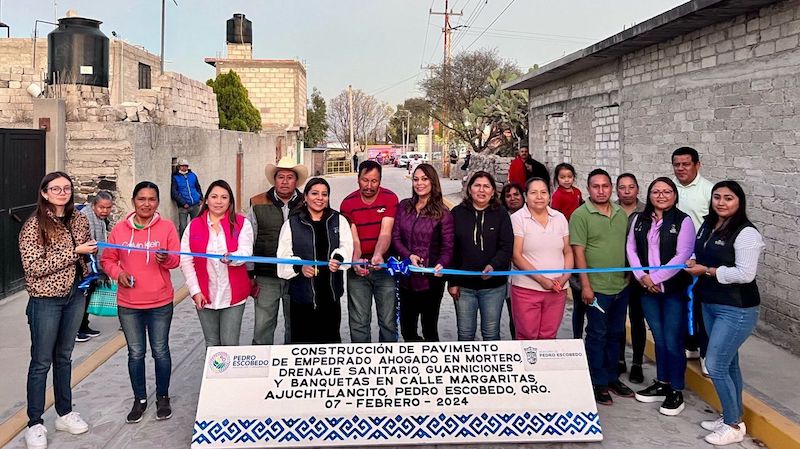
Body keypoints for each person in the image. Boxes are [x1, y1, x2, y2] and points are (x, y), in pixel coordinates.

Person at [19, 172, 96, 449]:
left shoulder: (79, 218)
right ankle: (35, 423)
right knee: (41, 362)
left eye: (66, 188)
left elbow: (86, 252)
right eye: (55, 188)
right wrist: (75, 251)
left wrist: (89, 266)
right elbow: (34, 267)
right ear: (44, 192)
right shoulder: (33, 225)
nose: (62, 192)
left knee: (64, 357)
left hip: (75, 295)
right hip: (45, 300)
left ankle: (65, 412)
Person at [684, 181, 763, 446]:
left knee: (715, 364)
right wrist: (696, 261)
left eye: (728, 198)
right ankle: (732, 414)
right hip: (710, 303)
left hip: (737, 308)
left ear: (739, 201)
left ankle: (733, 424)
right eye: (717, 197)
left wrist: (707, 270)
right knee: (729, 364)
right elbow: (703, 253)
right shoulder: (709, 224)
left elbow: (745, 273)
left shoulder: (746, 233)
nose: (721, 202)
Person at [101, 181, 180, 424]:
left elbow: (176, 260)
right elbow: (108, 259)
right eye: (141, 199)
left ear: (157, 202)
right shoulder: (120, 230)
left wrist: (165, 259)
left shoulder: (166, 228)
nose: (146, 203)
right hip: (129, 304)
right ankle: (140, 399)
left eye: (152, 199)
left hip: (160, 302)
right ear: (134, 200)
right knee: (135, 353)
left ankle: (163, 397)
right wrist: (118, 274)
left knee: (160, 351)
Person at [626, 177, 695, 416]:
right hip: (647, 292)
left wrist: (655, 278)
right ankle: (662, 382)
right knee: (659, 338)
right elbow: (631, 250)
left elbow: (682, 255)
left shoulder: (683, 221)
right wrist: (642, 277)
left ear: (675, 195)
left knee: (673, 339)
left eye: (667, 191)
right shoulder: (638, 219)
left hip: (673, 291)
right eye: (656, 191)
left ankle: (676, 390)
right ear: (649, 195)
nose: (661, 195)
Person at [570, 168, 633, 406]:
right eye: (596, 186)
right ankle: (597, 381)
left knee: (616, 334)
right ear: (588, 189)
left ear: (612, 188)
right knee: (597, 334)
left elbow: (626, 247)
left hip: (620, 286)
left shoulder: (620, 213)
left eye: (605, 186)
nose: (601, 190)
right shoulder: (580, 215)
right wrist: (585, 286)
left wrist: (628, 274)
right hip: (595, 289)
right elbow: (579, 251)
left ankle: (611, 377)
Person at [276, 178, 353, 344]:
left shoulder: (338, 220)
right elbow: (283, 256)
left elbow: (347, 246)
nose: (320, 198)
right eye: (315, 193)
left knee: (329, 343)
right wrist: (299, 267)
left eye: (324, 194)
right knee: (302, 344)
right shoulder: (292, 223)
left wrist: (338, 259)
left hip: (330, 297)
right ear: (305, 196)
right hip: (301, 298)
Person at [180, 180, 254, 347]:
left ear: (230, 201)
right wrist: (195, 291)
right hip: (205, 294)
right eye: (214, 196)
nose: (219, 201)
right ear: (206, 200)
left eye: (224, 197)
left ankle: (230, 374)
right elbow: (186, 260)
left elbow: (246, 252)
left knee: (230, 343)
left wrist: (233, 258)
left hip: (233, 294)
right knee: (212, 343)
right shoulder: (193, 226)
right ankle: (214, 373)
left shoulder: (242, 224)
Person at [248, 156, 307, 345]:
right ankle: (261, 366)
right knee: (263, 325)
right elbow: (249, 240)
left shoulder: (307, 203)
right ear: (274, 179)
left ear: (296, 180)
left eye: (290, 177)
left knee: (296, 325)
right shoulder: (257, 203)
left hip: (297, 276)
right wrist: (250, 274)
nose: (285, 181)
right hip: (267, 276)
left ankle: (290, 367)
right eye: (281, 177)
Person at [392, 163, 454, 342]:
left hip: (430, 283)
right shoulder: (404, 207)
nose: (419, 183)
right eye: (416, 179)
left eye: (424, 179)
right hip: (406, 280)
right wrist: (408, 255)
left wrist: (441, 264)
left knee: (429, 330)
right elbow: (396, 238)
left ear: (433, 182)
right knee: (407, 330)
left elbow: (448, 248)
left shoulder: (443, 213)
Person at [449, 171, 513, 341]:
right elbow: (451, 249)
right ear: (470, 189)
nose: (481, 190)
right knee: (465, 334)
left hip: (493, 287)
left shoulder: (501, 214)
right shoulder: (457, 213)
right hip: (464, 288)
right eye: (477, 185)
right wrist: (453, 282)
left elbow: (506, 247)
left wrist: (494, 265)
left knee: (491, 334)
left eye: (486, 186)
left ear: (493, 191)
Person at [340, 161, 400, 342]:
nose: (369, 186)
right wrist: (356, 260)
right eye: (365, 180)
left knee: (388, 321)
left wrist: (378, 255)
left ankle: (388, 362)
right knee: (358, 322)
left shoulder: (390, 198)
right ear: (358, 179)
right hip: (357, 269)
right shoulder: (347, 203)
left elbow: (385, 232)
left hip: (384, 267)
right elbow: (354, 238)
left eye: (374, 181)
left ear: (380, 180)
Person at [510, 177, 572, 340]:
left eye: (543, 192)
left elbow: (568, 250)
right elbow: (516, 256)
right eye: (533, 193)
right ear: (525, 195)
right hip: (526, 289)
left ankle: (547, 367)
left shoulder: (559, 218)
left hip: (557, 289)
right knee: (527, 336)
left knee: (549, 336)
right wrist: (541, 280)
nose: (539, 197)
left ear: (550, 196)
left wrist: (565, 277)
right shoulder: (517, 219)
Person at [672, 147, 714, 369]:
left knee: (702, 309)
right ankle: (691, 346)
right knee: (681, 306)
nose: (681, 169)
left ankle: (708, 356)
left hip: (699, 262)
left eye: (686, 164)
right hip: (675, 261)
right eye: (677, 164)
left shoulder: (709, 191)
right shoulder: (669, 189)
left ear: (697, 165)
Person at [615, 173, 647, 384]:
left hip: (639, 274)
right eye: (622, 187)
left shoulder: (647, 211)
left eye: (631, 187)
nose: (627, 191)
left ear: (637, 189)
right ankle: (619, 359)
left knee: (637, 319)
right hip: (616, 273)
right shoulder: (611, 210)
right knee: (617, 319)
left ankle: (636, 362)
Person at [76, 190, 114, 342]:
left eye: (108, 207)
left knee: (89, 296)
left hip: (92, 266)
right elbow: (91, 247)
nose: (105, 211)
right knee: (82, 299)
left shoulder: (100, 219)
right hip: (84, 266)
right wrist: (100, 269)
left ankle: (84, 325)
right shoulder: (86, 218)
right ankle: (77, 329)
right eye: (101, 207)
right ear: (94, 205)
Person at [500, 182, 525, 338]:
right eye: (508, 196)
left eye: (516, 194)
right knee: (514, 317)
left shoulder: (530, 216)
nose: (513, 198)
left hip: (527, 275)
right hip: (506, 276)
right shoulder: (501, 218)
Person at [170, 158, 203, 237]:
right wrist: (183, 203)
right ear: (178, 167)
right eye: (182, 166)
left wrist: (201, 198)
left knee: (195, 225)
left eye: (186, 166)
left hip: (195, 205)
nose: (184, 168)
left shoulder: (193, 175)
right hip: (183, 207)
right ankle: (183, 244)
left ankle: (195, 240)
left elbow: (198, 187)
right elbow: (174, 193)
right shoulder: (175, 177)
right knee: (183, 226)